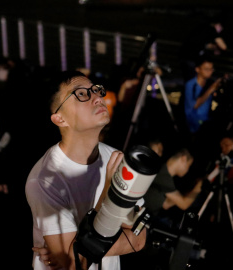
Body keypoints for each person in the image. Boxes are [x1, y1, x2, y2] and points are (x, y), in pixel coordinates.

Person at [25, 70, 146, 270]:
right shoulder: (44, 180)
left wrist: (79, 247)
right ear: (60, 119)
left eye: (96, 90)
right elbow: (75, 265)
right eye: (81, 94)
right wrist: (109, 190)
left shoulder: (116, 158)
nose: (98, 97)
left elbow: (139, 238)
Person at [143, 147, 202, 228]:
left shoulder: (165, 174)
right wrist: (200, 186)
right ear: (183, 159)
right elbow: (184, 204)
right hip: (141, 216)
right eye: (189, 165)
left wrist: (190, 191)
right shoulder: (163, 175)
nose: (187, 170)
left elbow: (166, 204)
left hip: (147, 215)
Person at [183, 56, 226, 136]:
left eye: (211, 69)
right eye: (206, 69)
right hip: (192, 125)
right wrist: (210, 89)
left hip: (206, 123)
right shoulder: (191, 85)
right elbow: (194, 105)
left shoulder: (209, 83)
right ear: (197, 69)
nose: (209, 72)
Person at [179, 16, 228, 83]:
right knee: (192, 80)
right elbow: (223, 47)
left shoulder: (202, 27)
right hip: (191, 58)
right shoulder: (212, 29)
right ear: (218, 25)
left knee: (189, 79)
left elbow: (202, 43)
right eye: (220, 28)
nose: (220, 31)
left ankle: (191, 91)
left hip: (184, 55)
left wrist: (213, 47)